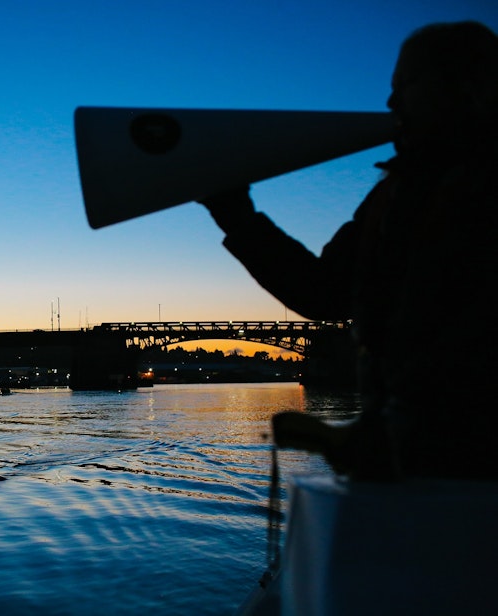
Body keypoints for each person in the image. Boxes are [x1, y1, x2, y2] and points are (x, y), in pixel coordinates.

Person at [198, 21, 498, 480]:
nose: (391, 103)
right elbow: (326, 290)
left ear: (468, 85)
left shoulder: (412, 194)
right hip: (411, 455)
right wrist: (238, 218)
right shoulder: (392, 196)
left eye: (406, 86)